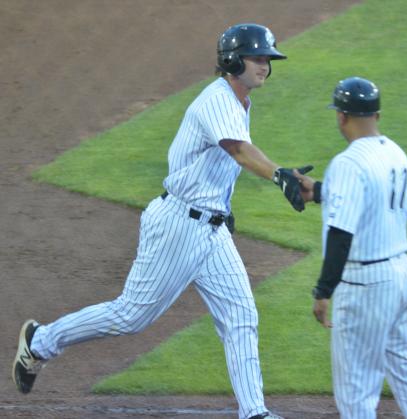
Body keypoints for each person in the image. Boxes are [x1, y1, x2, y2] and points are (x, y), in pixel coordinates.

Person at [12, 23, 310, 419]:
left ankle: (254, 412)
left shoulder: (239, 102)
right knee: (130, 316)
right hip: (179, 226)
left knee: (241, 315)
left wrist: (223, 207)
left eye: (267, 59)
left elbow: (213, 163)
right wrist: (278, 174)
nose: (265, 65)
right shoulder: (218, 99)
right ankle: (41, 341)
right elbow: (238, 150)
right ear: (232, 60)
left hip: (211, 229)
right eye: (257, 58)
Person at [295, 77, 407, 418]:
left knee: (356, 392)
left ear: (341, 116)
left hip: (366, 286)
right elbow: (371, 199)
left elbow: (341, 235)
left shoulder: (348, 162)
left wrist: (323, 291)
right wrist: (318, 191)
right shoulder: (395, 152)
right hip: (403, 275)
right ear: (377, 114)